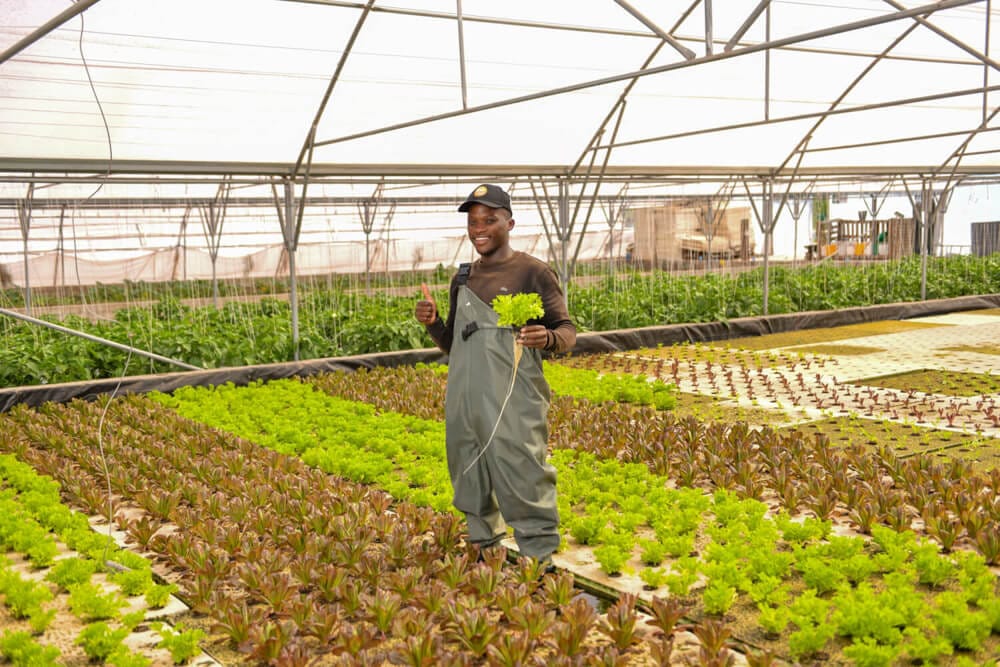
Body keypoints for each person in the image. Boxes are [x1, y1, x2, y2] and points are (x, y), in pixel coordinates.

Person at [415, 183, 576, 568]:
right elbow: (454, 344)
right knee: (467, 465)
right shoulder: (464, 278)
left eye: (489, 220)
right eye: (473, 222)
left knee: (521, 466)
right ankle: (485, 546)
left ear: (510, 222)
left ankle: (538, 557)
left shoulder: (532, 272)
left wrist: (548, 337)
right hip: (466, 395)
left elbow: (567, 331)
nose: (479, 229)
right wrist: (434, 322)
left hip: (512, 394)